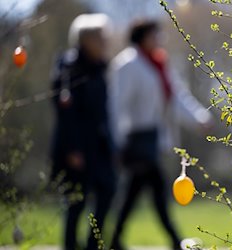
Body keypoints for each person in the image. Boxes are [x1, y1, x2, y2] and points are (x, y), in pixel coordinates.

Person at [108, 20, 212, 250]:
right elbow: (117, 106)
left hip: (153, 139)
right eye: (155, 35)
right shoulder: (127, 64)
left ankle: (114, 239)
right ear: (142, 37)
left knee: (134, 192)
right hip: (135, 139)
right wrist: (117, 142)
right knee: (157, 189)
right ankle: (175, 241)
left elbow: (176, 97)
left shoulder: (159, 63)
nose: (159, 39)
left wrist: (199, 118)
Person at [50, 14, 116, 250]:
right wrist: (73, 148)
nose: (105, 41)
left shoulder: (100, 68)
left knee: (107, 191)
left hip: (99, 145)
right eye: (101, 37)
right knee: (76, 202)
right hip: (77, 147)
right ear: (86, 39)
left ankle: (92, 245)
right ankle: (70, 246)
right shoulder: (68, 68)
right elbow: (65, 112)